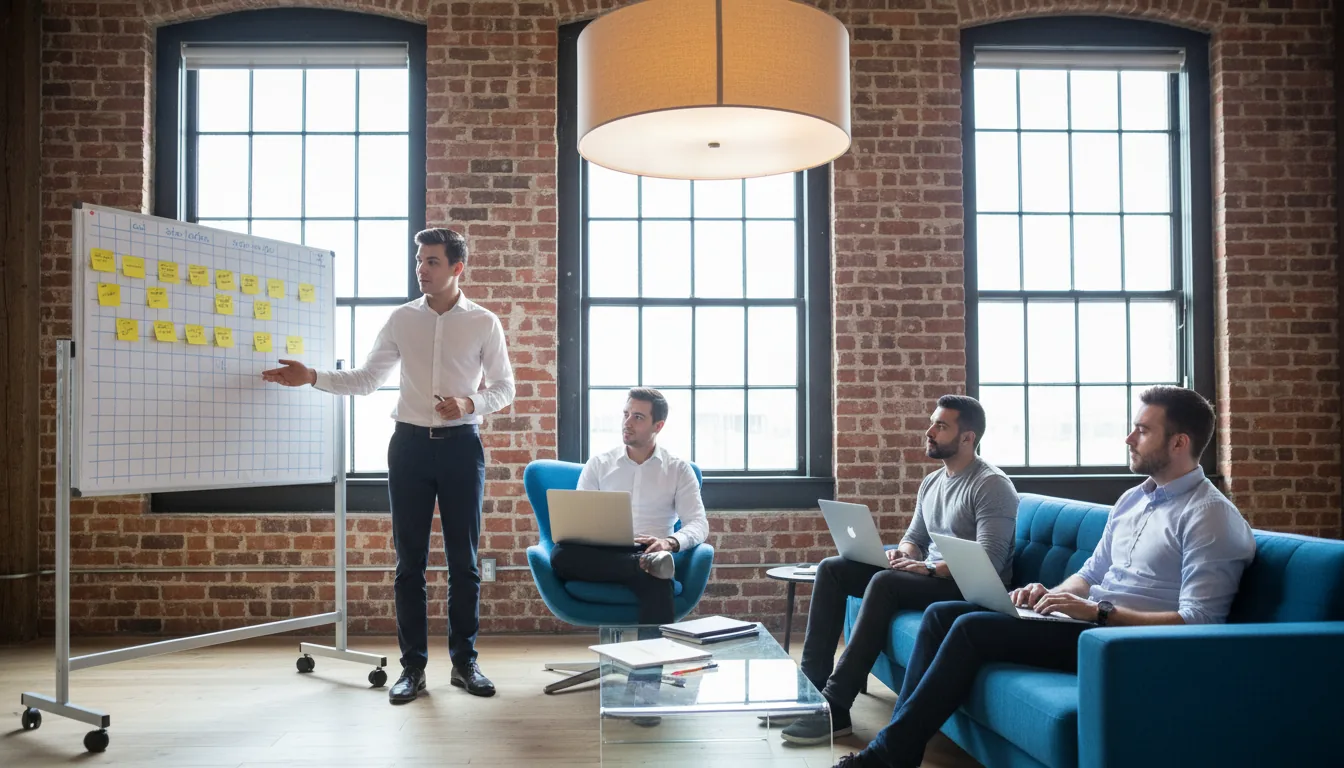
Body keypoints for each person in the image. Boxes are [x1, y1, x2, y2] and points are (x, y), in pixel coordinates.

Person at [831, 386, 1257, 768]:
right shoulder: (1132, 499)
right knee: (943, 614)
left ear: (1179, 442)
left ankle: (886, 758)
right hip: (1088, 622)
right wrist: (1049, 595)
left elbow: (1201, 621)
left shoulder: (1210, 517)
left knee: (970, 629)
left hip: (1121, 641)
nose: (1129, 438)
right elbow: (1091, 572)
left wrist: (1098, 613)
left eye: (1142, 430)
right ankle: (899, 751)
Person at [262, 227, 515, 705]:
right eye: (419, 260)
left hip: (462, 447)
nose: (422, 268)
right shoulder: (403, 319)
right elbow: (365, 379)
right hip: (410, 448)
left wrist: (469, 402)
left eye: (432, 261)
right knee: (408, 565)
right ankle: (412, 669)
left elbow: (505, 388)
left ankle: (465, 663)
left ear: (457, 267)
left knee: (464, 563)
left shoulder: (483, 322)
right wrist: (312, 376)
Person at [781, 395, 1018, 746]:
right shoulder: (933, 482)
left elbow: (990, 560)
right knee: (832, 569)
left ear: (968, 438)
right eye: (932, 422)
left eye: (941, 425)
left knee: (886, 584)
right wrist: (902, 555)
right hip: (931, 574)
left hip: (969, 587)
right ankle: (811, 693)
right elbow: (914, 538)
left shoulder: (990, 484)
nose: (929, 431)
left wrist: (927, 568)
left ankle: (837, 705)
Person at [550, 388, 708, 625]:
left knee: (656, 578)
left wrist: (669, 542)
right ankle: (642, 567)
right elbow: (581, 518)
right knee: (561, 555)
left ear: (658, 426)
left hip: (649, 551)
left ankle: (652, 660)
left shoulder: (678, 470)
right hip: (602, 553)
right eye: (626, 414)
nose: (627, 423)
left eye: (638, 417)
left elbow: (698, 523)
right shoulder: (598, 464)